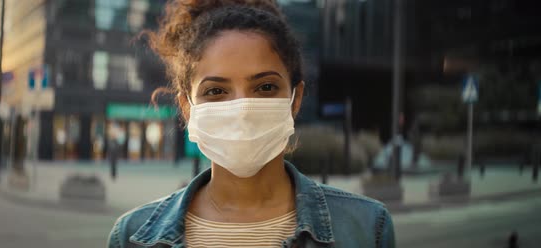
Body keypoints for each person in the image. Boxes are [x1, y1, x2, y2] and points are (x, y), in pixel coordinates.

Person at [108, 1, 395, 247]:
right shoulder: (131, 236)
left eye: (265, 87)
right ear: (187, 107)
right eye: (216, 91)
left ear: (296, 100)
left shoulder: (368, 228)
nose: (242, 109)